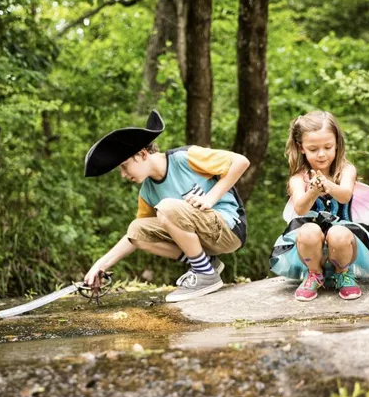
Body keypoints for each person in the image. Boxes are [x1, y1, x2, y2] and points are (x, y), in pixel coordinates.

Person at [83, 110, 249, 302]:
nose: (123, 174)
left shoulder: (184, 157)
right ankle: (206, 264)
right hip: (202, 239)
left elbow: (241, 161)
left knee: (167, 207)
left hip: (228, 228)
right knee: (136, 230)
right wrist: (101, 264)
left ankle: (205, 275)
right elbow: (135, 238)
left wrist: (210, 198)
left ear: (142, 154)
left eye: (124, 166)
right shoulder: (147, 192)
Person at [269, 110, 369, 301]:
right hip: (310, 247)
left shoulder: (346, 170)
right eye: (313, 149)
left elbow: (344, 196)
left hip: (343, 241)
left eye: (328, 147)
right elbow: (300, 209)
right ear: (301, 147)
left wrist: (327, 185)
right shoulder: (298, 178)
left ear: (337, 144)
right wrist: (312, 191)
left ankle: (343, 273)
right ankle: (314, 273)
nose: (321, 154)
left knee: (338, 232)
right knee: (308, 230)